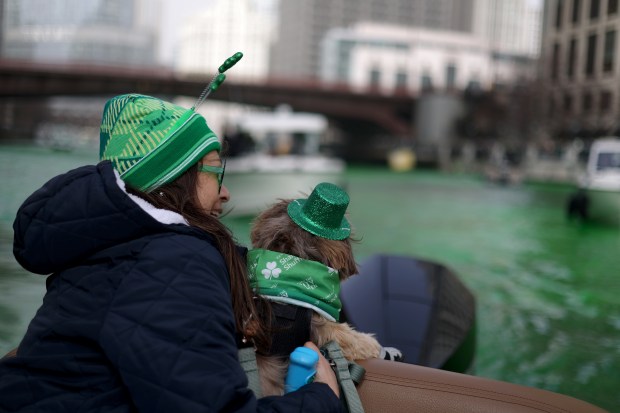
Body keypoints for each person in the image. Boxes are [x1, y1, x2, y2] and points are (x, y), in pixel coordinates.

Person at [0, 94, 342, 412]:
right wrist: (320, 398)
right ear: (174, 177)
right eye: (214, 170)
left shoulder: (117, 247)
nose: (225, 191)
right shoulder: (174, 260)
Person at [248, 182, 403, 396]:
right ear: (337, 257)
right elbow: (345, 343)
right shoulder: (308, 315)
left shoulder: (242, 287)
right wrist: (376, 350)